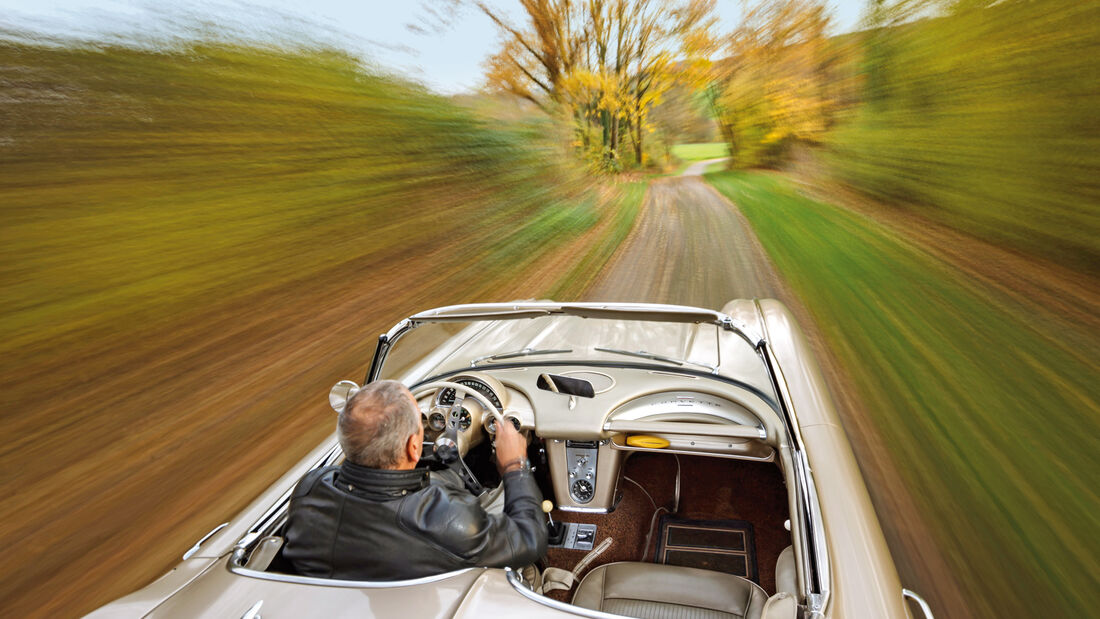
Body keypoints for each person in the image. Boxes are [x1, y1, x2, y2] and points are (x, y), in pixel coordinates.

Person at [283, 379, 547, 580]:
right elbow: (529, 538)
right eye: (423, 427)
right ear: (413, 447)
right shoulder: (447, 519)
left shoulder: (310, 488)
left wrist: (451, 476)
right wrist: (515, 465)